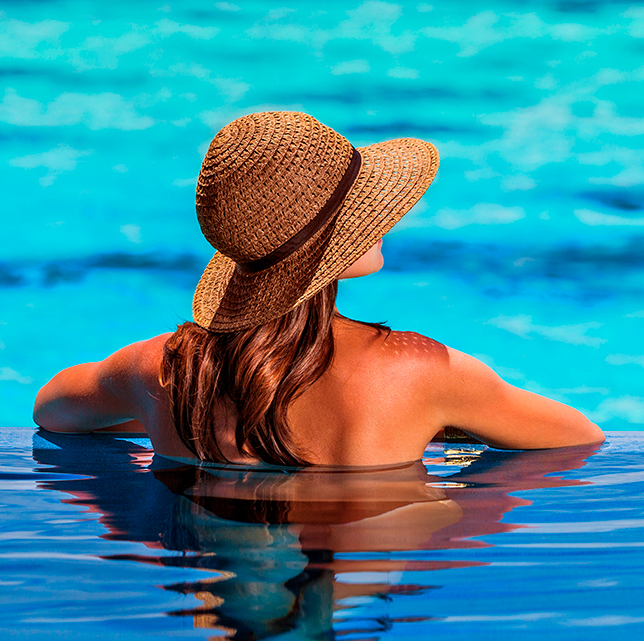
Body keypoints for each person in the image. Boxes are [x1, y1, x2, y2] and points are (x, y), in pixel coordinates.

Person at [33, 111, 604, 467]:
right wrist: (441, 424)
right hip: (361, 569)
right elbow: (576, 438)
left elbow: (52, 411)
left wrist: (155, 416)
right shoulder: (423, 372)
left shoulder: (156, 371)